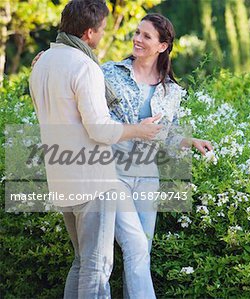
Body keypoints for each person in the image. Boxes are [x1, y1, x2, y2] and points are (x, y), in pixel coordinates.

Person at [29, 1, 163, 298]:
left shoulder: (42, 64)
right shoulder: (84, 66)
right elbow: (100, 129)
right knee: (96, 266)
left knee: (81, 262)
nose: (104, 35)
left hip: (60, 177)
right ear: (89, 32)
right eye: (102, 30)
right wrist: (138, 130)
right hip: (92, 180)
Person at [101, 13, 213, 298]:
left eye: (146, 36)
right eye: (137, 33)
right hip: (113, 171)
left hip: (148, 174)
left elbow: (167, 134)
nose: (137, 39)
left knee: (142, 251)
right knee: (136, 245)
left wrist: (190, 141)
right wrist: (48, 62)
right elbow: (93, 116)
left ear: (163, 46)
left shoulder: (171, 90)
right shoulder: (109, 73)